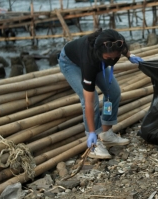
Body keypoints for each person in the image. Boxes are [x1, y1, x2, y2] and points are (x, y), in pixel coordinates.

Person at [58, 29, 143, 159]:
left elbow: (123, 49)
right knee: (94, 100)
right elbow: (89, 102)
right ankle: (94, 142)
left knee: (114, 92)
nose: (113, 60)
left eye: (116, 57)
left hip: (97, 60)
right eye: (109, 58)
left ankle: (106, 133)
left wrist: (130, 55)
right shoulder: (90, 62)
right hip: (70, 62)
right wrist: (91, 132)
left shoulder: (117, 41)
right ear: (100, 53)